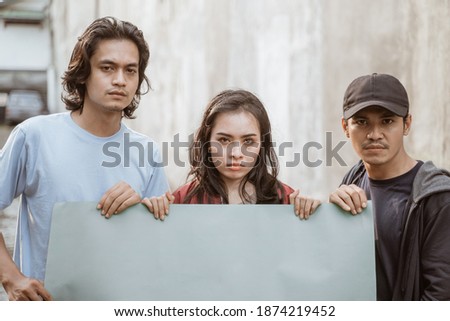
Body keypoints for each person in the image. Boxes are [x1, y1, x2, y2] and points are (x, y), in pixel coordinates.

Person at [0, 16, 169, 300]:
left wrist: (141, 208)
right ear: (84, 73)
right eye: (107, 68)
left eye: (131, 70)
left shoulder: (146, 151)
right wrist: (11, 277)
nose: (120, 80)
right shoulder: (34, 136)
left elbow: (158, 247)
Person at [329, 73, 450, 300]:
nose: (374, 134)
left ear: (407, 124)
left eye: (387, 121)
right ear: (345, 127)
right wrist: (328, 216)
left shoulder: (437, 198)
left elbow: (441, 297)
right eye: (361, 122)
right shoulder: (352, 181)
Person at [142, 89, 320, 220]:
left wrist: (311, 213)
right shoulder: (183, 200)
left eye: (248, 142)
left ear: (262, 144)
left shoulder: (285, 199)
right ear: (207, 142)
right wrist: (152, 213)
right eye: (224, 140)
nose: (236, 153)